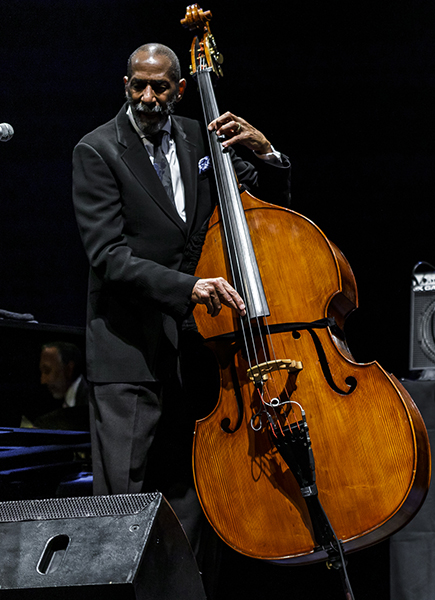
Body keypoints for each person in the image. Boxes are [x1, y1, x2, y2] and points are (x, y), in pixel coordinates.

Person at [71, 43, 291, 595]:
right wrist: (191, 287)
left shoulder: (200, 137)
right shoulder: (97, 150)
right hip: (129, 356)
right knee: (124, 502)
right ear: (125, 83)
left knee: (195, 499)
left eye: (161, 87)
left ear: (180, 89)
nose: (148, 97)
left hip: (196, 353)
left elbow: (258, 212)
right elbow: (109, 257)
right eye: (139, 85)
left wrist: (270, 157)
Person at [29, 341, 90, 431]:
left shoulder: (90, 401)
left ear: (69, 369)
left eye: (47, 371)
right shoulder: (60, 399)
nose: (43, 381)